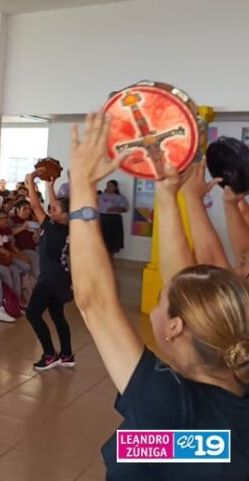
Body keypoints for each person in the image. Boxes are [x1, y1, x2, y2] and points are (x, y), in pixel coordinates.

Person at [70, 111, 249, 480]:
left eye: (161, 299)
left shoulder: (171, 410)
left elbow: (95, 303)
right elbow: (185, 282)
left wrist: (83, 185)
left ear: (175, 327)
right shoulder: (221, 410)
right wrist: (168, 196)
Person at [23, 172, 73, 370]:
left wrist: (31, 181)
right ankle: (67, 354)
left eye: (54, 210)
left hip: (50, 279)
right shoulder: (64, 226)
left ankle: (50, 355)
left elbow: (36, 206)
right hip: (61, 277)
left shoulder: (53, 228)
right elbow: (56, 206)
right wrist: (51, 186)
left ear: (64, 215)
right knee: (58, 316)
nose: (50, 210)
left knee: (32, 314)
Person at [98, 179, 128, 256]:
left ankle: (110, 258)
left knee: (112, 242)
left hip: (114, 220)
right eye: (108, 186)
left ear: (116, 187)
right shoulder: (100, 196)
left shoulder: (120, 197)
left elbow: (125, 209)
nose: (109, 187)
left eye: (111, 186)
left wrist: (115, 209)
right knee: (101, 240)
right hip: (102, 219)